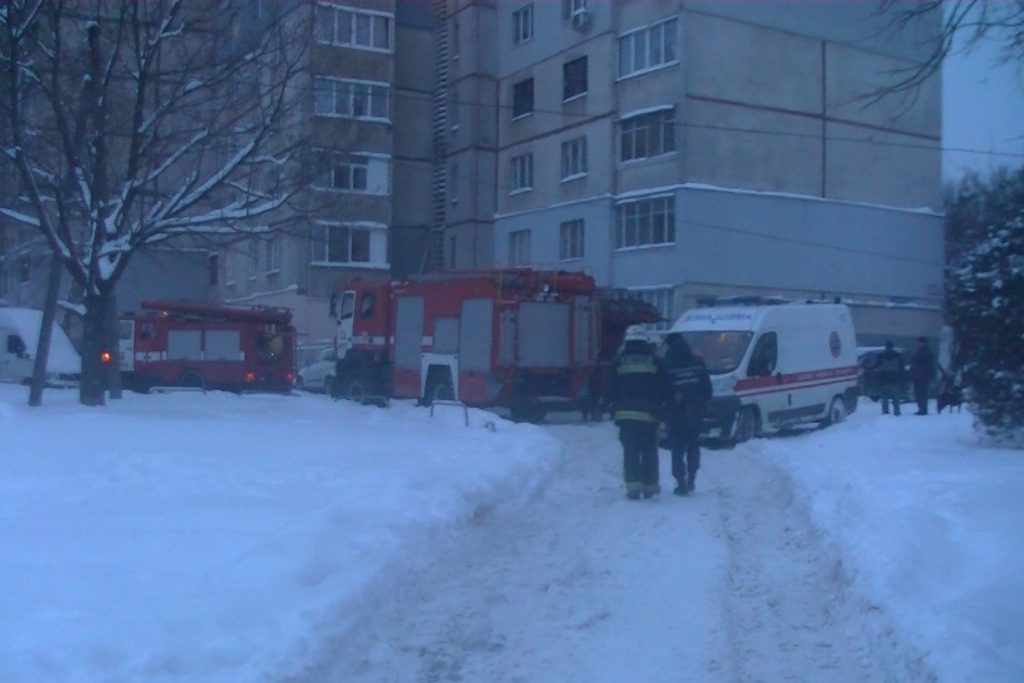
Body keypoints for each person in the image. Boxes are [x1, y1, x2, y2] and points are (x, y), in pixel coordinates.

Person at [607, 328, 666, 500]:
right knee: (649, 451)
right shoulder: (655, 361)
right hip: (650, 415)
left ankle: (633, 489)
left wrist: (612, 408)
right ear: (644, 341)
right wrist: (662, 409)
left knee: (630, 452)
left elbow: (611, 387)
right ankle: (649, 487)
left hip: (625, 416)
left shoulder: (618, 361)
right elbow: (664, 386)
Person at [661, 333, 712, 496]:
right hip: (695, 412)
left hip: (674, 413)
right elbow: (708, 390)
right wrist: (700, 403)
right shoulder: (698, 362)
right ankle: (692, 479)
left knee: (676, 447)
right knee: (693, 445)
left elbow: (661, 391)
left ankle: (680, 482)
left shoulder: (665, 365)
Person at [874, 341, 906, 416]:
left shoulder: (881, 356)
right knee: (896, 397)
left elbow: (876, 367)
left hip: (884, 379)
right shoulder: (898, 356)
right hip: (895, 379)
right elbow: (902, 368)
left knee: (885, 397)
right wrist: (902, 379)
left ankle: (885, 413)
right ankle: (897, 412)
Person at [909, 336, 936, 415]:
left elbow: (930, 364)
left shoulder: (926, 352)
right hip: (918, 375)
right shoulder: (919, 351)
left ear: (923, 343)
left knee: (922, 393)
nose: (917, 344)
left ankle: (923, 409)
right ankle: (921, 408)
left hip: (923, 375)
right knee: (919, 392)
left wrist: (931, 375)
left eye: (919, 342)